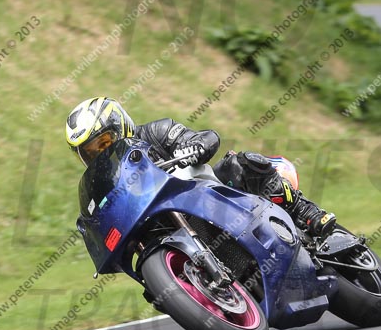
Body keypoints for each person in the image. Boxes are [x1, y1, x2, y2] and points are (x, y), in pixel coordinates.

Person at [65, 96, 336, 238]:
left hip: (207, 195)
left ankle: (306, 211)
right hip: (167, 225)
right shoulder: (107, 181)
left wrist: (192, 147)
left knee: (240, 164)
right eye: (90, 153)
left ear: (119, 126)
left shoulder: (156, 132)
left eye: (104, 142)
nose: (100, 154)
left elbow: (206, 138)